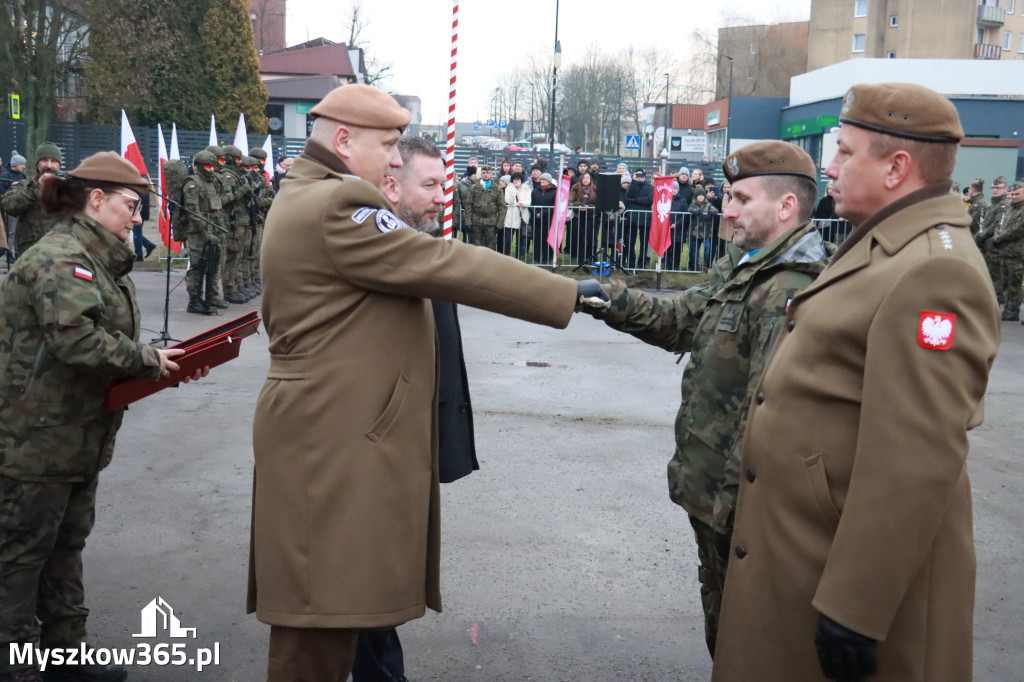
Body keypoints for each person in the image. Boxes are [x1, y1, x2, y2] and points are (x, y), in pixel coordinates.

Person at [247, 83, 604, 682]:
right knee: (318, 629)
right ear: (343, 140)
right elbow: (442, 262)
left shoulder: (312, 194)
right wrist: (563, 292)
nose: (394, 158)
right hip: (327, 441)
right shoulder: (338, 204)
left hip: (325, 432)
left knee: (336, 611)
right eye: (388, 145)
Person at [711, 82, 1001, 682]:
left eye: (844, 152)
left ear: (897, 168)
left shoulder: (935, 269)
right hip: (804, 547)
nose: (829, 168)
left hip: (839, 573)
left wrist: (855, 606)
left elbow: (915, 456)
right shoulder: (884, 242)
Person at [577, 141, 830, 658]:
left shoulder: (793, 289)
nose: (726, 208)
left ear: (785, 207)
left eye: (740, 199)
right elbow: (681, 320)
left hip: (736, 507)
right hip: (709, 493)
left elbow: (767, 416)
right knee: (724, 627)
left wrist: (732, 507)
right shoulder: (744, 265)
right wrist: (604, 297)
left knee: (750, 640)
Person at [0, 152, 206, 682]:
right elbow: (75, 339)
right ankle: (15, 664)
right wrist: (147, 360)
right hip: (36, 437)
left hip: (71, 432)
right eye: (131, 206)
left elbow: (97, 340)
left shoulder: (92, 256)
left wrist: (170, 365)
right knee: (22, 556)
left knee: (65, 547)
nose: (137, 219)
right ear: (96, 200)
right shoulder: (62, 257)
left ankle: (65, 653)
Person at [350, 134, 480, 682]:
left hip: (409, 442)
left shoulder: (415, 244)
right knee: (365, 580)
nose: (440, 198)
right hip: (374, 447)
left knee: (384, 576)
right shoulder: (377, 251)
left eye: (443, 186)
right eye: (429, 185)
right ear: (390, 185)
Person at [1, 142, 64, 256]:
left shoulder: (70, 187)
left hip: (63, 254)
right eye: (44, 160)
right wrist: (36, 188)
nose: (49, 165)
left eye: (53, 161)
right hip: (31, 256)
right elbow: (9, 206)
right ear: (37, 164)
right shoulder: (25, 186)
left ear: (59, 165)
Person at [990, 180, 1024, 321]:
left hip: (1016, 252)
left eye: (1017, 194)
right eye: (1012, 193)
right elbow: (1001, 223)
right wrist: (997, 234)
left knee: (1014, 282)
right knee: (1004, 280)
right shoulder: (1010, 208)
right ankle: (1007, 306)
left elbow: (1018, 229)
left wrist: (1000, 237)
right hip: (1004, 250)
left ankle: (1012, 309)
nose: (1014, 196)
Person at [975, 175, 1010, 295]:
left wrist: (981, 236)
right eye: (993, 187)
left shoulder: (1003, 205)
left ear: (1005, 189)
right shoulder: (993, 205)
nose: (995, 190)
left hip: (995, 247)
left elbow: (996, 225)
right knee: (986, 276)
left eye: (998, 188)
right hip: (987, 246)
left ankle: (996, 302)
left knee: (995, 278)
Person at [464, 164, 504, 249]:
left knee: (490, 247)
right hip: (476, 222)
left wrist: (499, 224)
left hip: (491, 222)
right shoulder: (474, 188)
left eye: (488, 172)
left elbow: (502, 207)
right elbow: (468, 205)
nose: (485, 174)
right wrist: (468, 221)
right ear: (481, 174)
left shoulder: (497, 189)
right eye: (484, 172)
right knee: (476, 247)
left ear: (491, 174)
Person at [625, 169, 653, 268]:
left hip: (645, 219)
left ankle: (642, 263)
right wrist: (633, 181)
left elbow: (649, 199)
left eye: (641, 175)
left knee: (644, 243)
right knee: (630, 242)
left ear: (645, 177)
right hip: (632, 218)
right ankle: (631, 263)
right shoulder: (633, 185)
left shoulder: (650, 187)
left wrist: (635, 200)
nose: (639, 177)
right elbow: (629, 195)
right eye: (637, 175)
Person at [568, 171, 598, 263]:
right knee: (579, 237)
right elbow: (570, 202)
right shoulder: (575, 188)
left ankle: (590, 257)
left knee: (590, 238)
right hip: (577, 216)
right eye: (584, 178)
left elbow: (597, 204)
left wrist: (589, 208)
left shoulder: (595, 189)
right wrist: (578, 206)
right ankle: (579, 258)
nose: (585, 180)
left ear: (590, 180)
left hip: (590, 217)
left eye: (587, 178)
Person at [687, 188, 719, 271]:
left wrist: (710, 213)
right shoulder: (693, 204)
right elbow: (690, 209)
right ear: (696, 197)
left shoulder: (708, 204)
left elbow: (715, 210)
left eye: (702, 195)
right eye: (699, 196)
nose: (701, 197)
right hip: (695, 232)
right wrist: (698, 212)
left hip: (706, 232)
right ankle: (695, 265)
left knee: (707, 248)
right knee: (695, 250)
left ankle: (705, 263)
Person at [502, 171, 531, 258]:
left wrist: (522, 203)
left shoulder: (526, 188)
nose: (516, 181)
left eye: (518, 179)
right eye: (514, 179)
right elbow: (508, 201)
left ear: (521, 180)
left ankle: (519, 257)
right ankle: (506, 257)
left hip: (522, 216)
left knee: (521, 239)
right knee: (507, 239)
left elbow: (528, 201)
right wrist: (514, 190)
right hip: (510, 217)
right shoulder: (509, 188)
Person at [530, 172, 557, 263]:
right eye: (541, 179)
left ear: (549, 181)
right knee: (536, 238)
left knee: (547, 239)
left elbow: (554, 206)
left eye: (544, 179)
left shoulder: (555, 191)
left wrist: (543, 213)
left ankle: (547, 257)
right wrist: (536, 213)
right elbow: (532, 204)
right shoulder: (535, 190)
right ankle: (537, 257)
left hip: (548, 220)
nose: (541, 181)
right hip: (536, 220)